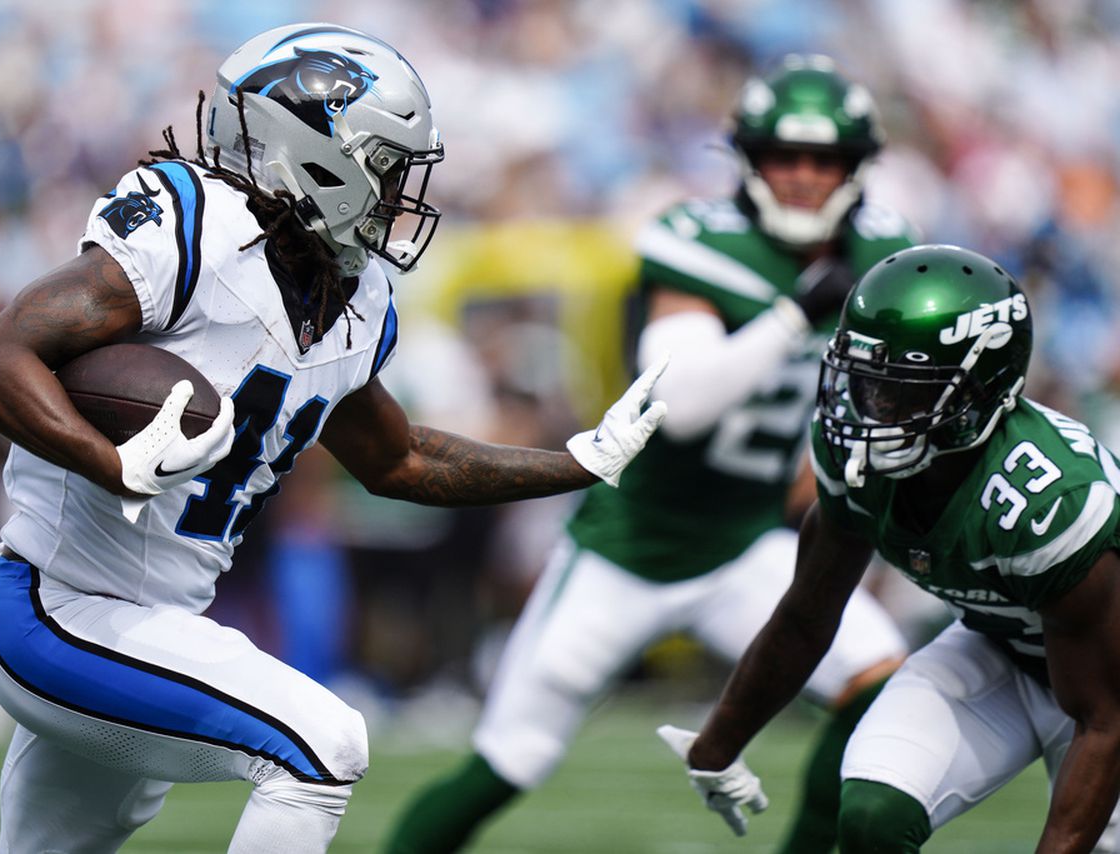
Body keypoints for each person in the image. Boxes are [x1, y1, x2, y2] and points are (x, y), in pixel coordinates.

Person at [0, 23, 668, 854]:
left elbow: (399, 458)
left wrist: (579, 460)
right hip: (59, 610)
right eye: (387, 169)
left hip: (153, 624)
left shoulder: (354, 301)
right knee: (322, 748)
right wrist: (110, 461)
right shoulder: (195, 229)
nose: (401, 197)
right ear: (316, 156)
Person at [383, 54, 911, 854]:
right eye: (784, 157)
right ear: (748, 160)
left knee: (877, 683)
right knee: (508, 760)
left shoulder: (886, 250)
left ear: (857, 167)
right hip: (628, 551)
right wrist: (788, 317)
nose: (804, 176)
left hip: (744, 544)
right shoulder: (697, 239)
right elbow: (684, 405)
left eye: (825, 159)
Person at [664, 243, 1120, 852]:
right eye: (865, 380)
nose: (872, 407)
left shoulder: (1045, 501)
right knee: (874, 812)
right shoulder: (861, 456)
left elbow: (1106, 719)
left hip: (1108, 694)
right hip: (1008, 648)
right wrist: (717, 744)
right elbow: (808, 612)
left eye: (903, 389)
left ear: (978, 390)